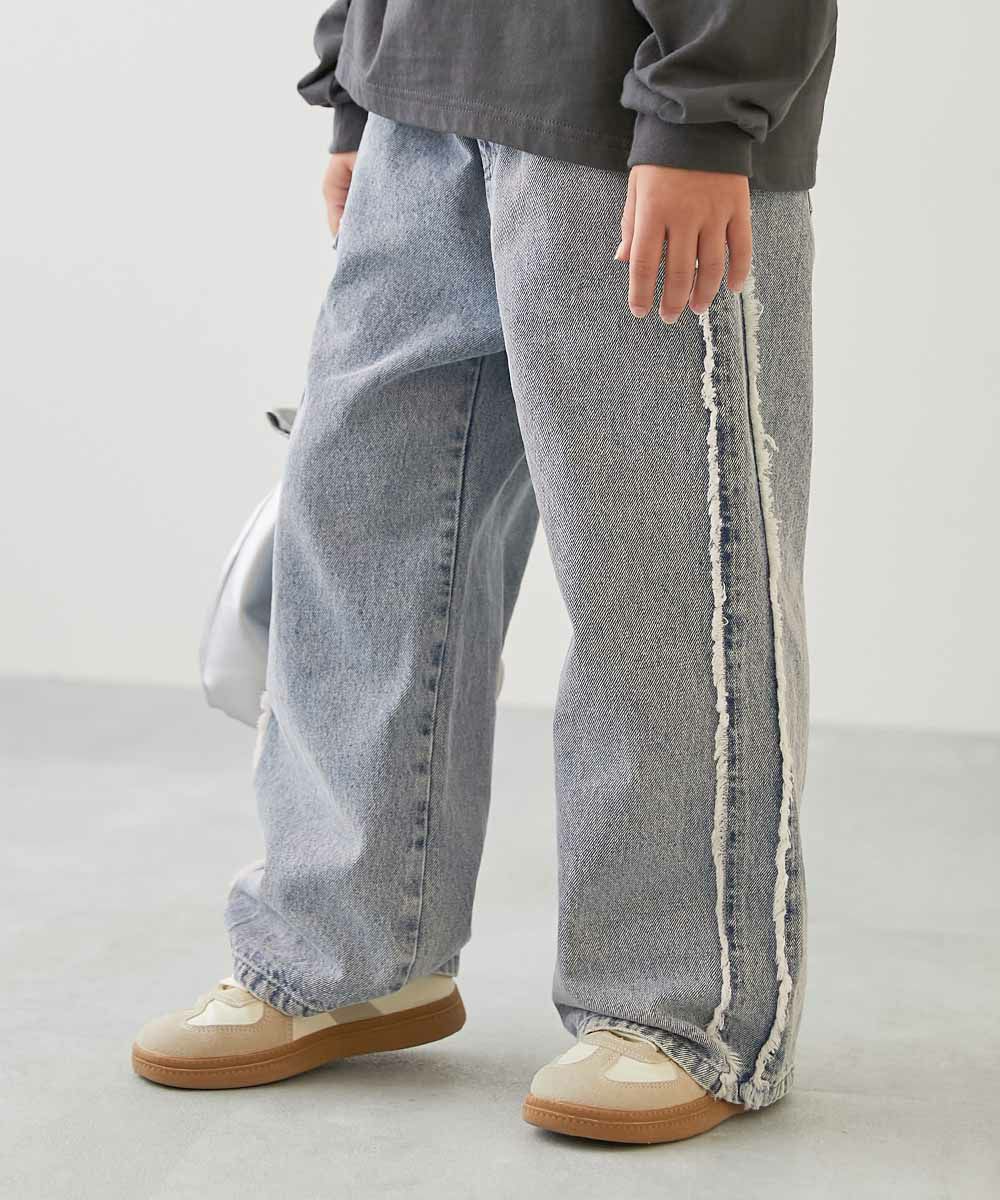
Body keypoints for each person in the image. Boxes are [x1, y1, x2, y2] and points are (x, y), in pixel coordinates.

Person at [132, 1, 838, 1145]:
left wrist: (707, 110)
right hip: (418, 96)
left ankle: (680, 1008)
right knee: (360, 537)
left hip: (627, 111)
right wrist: (353, 84)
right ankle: (348, 953)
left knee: (659, 570)